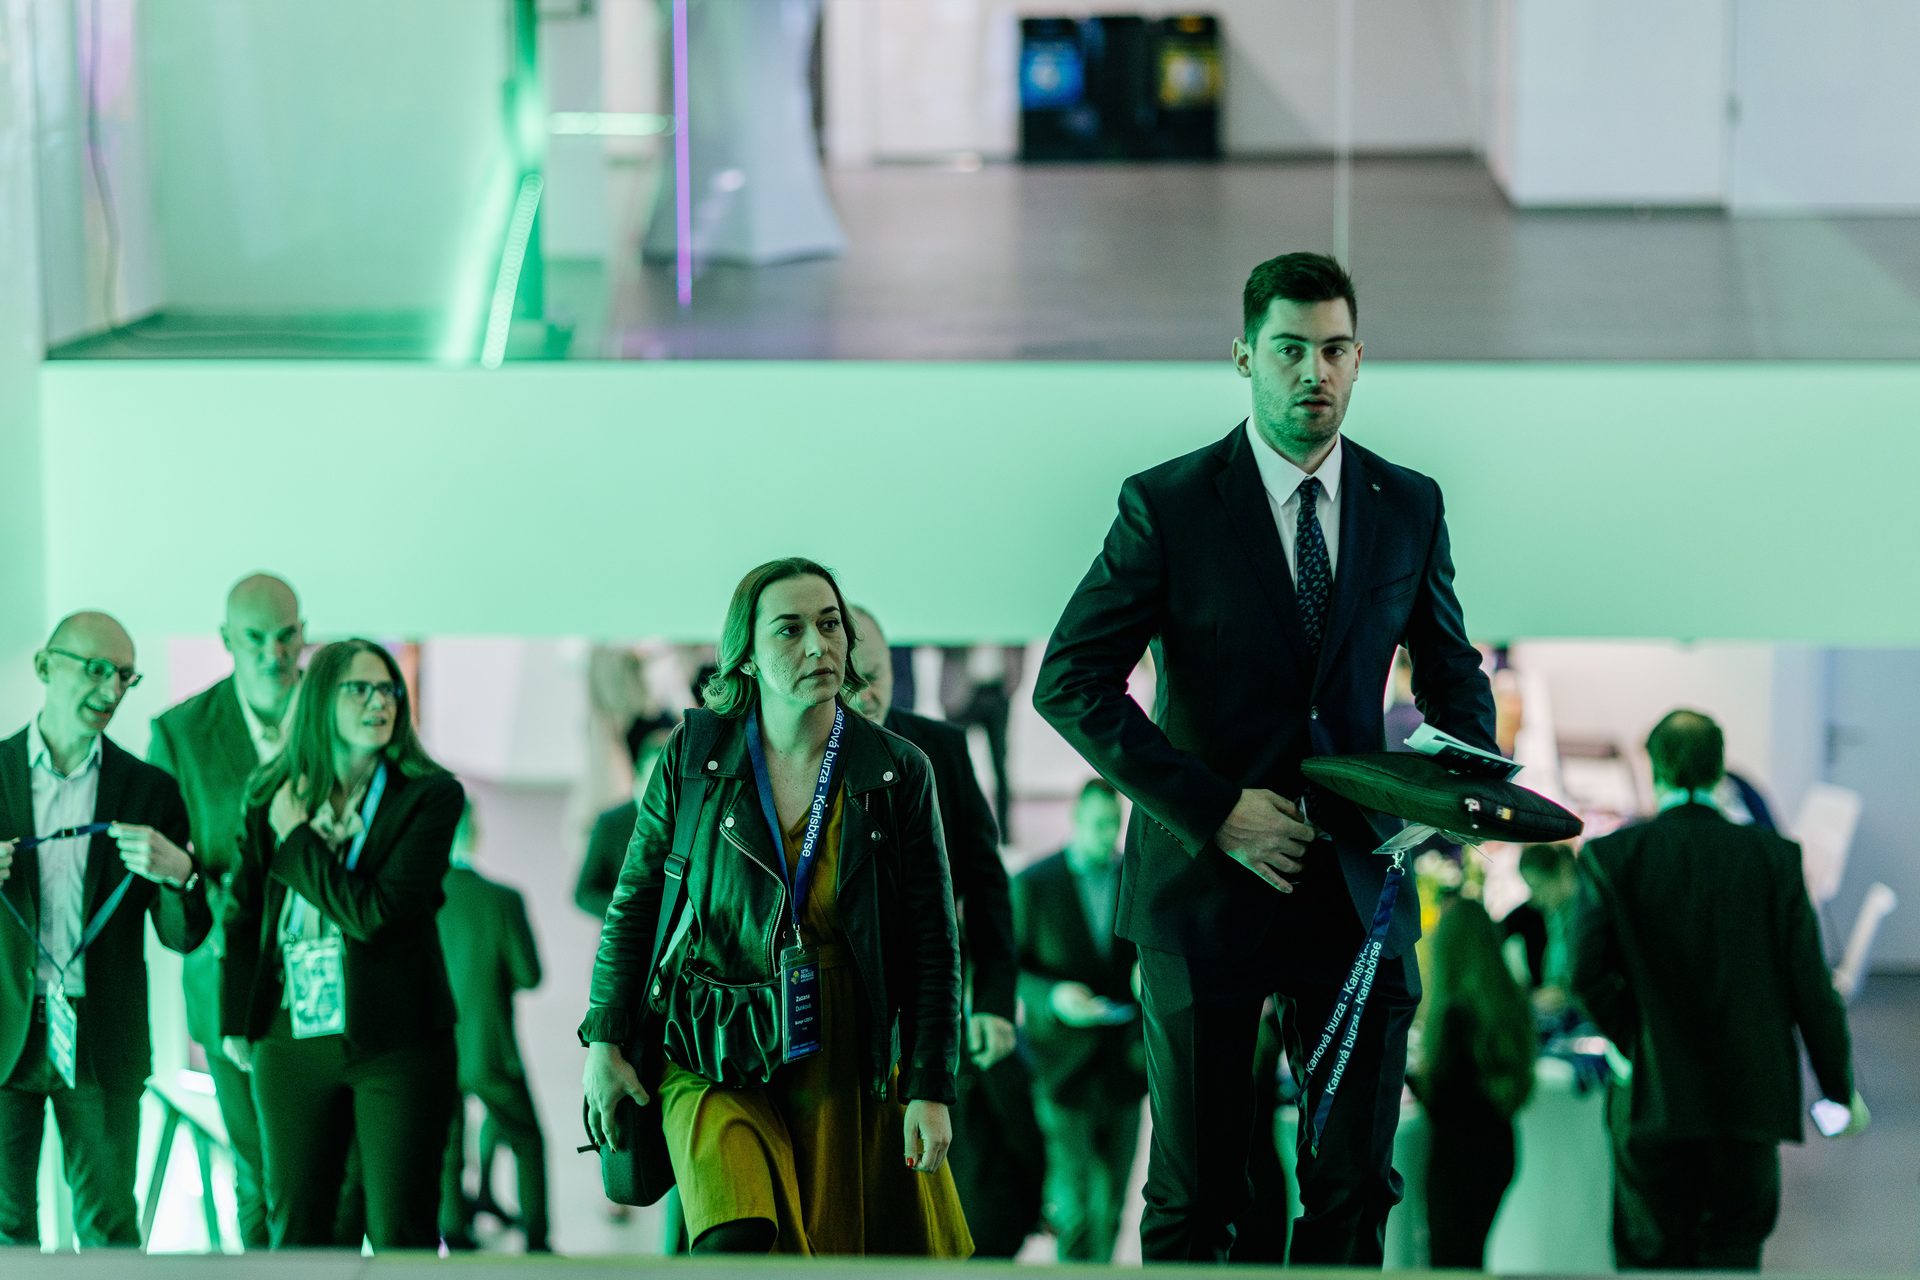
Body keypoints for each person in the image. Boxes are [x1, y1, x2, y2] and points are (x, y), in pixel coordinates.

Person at [1033, 251, 1497, 1265]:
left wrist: (1453, 792)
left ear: (1359, 359)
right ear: (1244, 356)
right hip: (1203, 887)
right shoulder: (1169, 504)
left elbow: (1452, 673)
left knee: (1353, 1191)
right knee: (1199, 1198)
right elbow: (1070, 681)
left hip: (1355, 892)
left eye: (1334, 350)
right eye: (1289, 349)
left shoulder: (1407, 503)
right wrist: (1214, 808)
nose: (1312, 372)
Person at [580, 557, 971, 1257]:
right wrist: (604, 1044)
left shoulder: (896, 769)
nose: (818, 645)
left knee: (830, 1252)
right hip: (710, 1039)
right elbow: (635, 903)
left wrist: (930, 1087)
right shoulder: (695, 754)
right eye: (789, 630)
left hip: (843, 1049)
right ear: (748, 656)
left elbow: (932, 944)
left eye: (830, 624)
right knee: (733, 1237)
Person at [1571, 709, 1865, 1271]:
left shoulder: (1611, 856)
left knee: (1653, 1257)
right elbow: (1812, 990)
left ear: (1654, 768)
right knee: (1734, 1255)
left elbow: (1585, 973)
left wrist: (1634, 1040)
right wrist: (1837, 1089)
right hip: (1749, 1101)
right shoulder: (1775, 857)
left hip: (1654, 1100)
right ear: (1720, 770)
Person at [220, 639, 465, 1249]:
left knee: (400, 1234)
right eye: (360, 689)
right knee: (297, 1232)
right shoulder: (269, 794)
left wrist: (298, 839)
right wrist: (236, 1020)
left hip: (396, 1040)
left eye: (388, 690)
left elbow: (373, 914)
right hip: (290, 1036)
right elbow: (244, 914)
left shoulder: (430, 796)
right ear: (321, 698)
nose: (380, 702)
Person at [0, 612, 211, 1247]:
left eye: (125, 676)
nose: (112, 689)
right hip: (4, 1031)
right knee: (5, 1230)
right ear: (45, 667)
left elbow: (182, 936)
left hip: (105, 1035)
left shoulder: (149, 790)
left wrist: (181, 876)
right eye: (97, 670)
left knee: (111, 1231)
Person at [847, 605, 1039, 1257]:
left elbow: (987, 883)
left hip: (933, 1000)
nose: (865, 695)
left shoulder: (941, 748)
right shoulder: (802, 761)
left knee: (943, 1189)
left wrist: (995, 1000)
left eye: (876, 675)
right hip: (838, 1008)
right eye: (851, 681)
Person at [148, 572, 304, 1247]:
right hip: (224, 979)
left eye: (287, 636)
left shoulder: (336, 710)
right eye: (256, 639)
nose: (274, 653)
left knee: (335, 1170)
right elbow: (167, 879)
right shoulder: (180, 733)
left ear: (303, 634)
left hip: (329, 978)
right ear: (226, 639)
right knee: (255, 1173)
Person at [1013, 779, 1148, 1263]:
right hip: (1061, 1068)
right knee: (1074, 1209)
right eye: (1097, 824)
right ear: (1075, 821)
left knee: (1112, 1207)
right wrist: (1053, 997)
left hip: (1124, 1066)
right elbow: (1010, 966)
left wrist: (1148, 975)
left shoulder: (1136, 877)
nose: (1105, 834)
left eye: (1112, 824)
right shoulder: (1034, 883)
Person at [438, 802, 549, 1252]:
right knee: (527, 1140)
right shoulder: (503, 899)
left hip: (439, 1047)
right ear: (474, 832)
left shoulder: (420, 901)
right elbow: (530, 975)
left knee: (447, 1144)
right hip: (491, 1047)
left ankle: (453, 1231)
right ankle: (537, 1241)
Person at [1410, 898, 1534, 1269]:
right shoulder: (1508, 1002)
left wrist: (1406, 1077)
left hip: (1458, 1161)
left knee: (1450, 1262)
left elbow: (1445, 1101)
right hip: (1498, 1149)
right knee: (1469, 1256)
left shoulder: (1455, 1017)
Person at [575, 726, 669, 922]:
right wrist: (629, 910)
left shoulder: (686, 820)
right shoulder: (610, 823)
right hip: (624, 929)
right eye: (657, 780)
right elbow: (584, 893)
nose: (665, 791)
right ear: (639, 774)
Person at [1501, 841, 1577, 1004]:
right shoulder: (1555, 918)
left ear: (1561, 873)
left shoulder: (1582, 917)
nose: (1535, 898)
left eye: (1538, 886)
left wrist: (1563, 994)